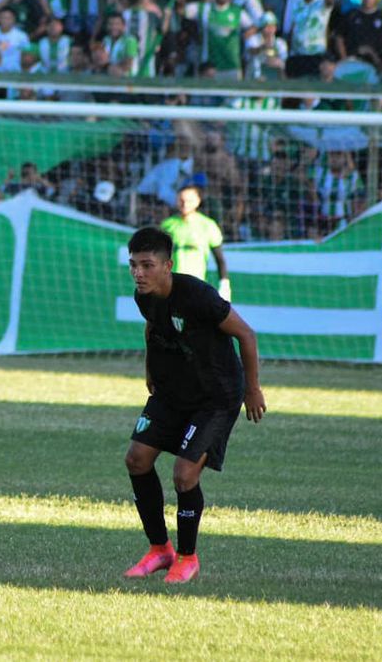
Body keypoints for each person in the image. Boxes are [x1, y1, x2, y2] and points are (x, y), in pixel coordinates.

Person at [122, 227, 264, 585]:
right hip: (173, 391)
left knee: (184, 475)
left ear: (168, 265)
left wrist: (253, 389)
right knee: (136, 459)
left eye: (147, 265)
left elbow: (246, 334)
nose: (139, 273)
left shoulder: (199, 296)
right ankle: (159, 550)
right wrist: (149, 369)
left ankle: (187, 557)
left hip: (216, 398)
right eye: (133, 265)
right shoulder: (145, 296)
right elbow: (152, 329)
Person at [160, 184, 230, 301]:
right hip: (171, 286)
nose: (185, 204)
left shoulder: (208, 225)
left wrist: (224, 284)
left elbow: (219, 258)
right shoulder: (167, 225)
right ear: (177, 200)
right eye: (181, 200)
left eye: (189, 200)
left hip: (197, 286)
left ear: (198, 201)